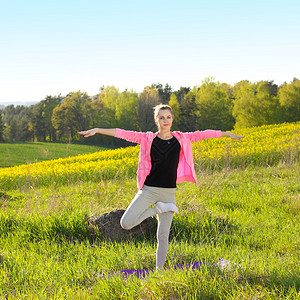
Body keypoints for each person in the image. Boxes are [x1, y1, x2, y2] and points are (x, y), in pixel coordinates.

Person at [78, 104, 244, 271]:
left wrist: (227, 134)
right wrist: (98, 130)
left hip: (169, 193)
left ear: (172, 119)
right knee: (126, 223)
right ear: (156, 120)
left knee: (162, 236)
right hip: (149, 190)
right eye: (162, 117)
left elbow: (204, 134)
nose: (166, 120)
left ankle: (159, 272)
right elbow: (122, 133)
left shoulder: (182, 138)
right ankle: (158, 209)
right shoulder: (147, 138)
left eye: (168, 117)